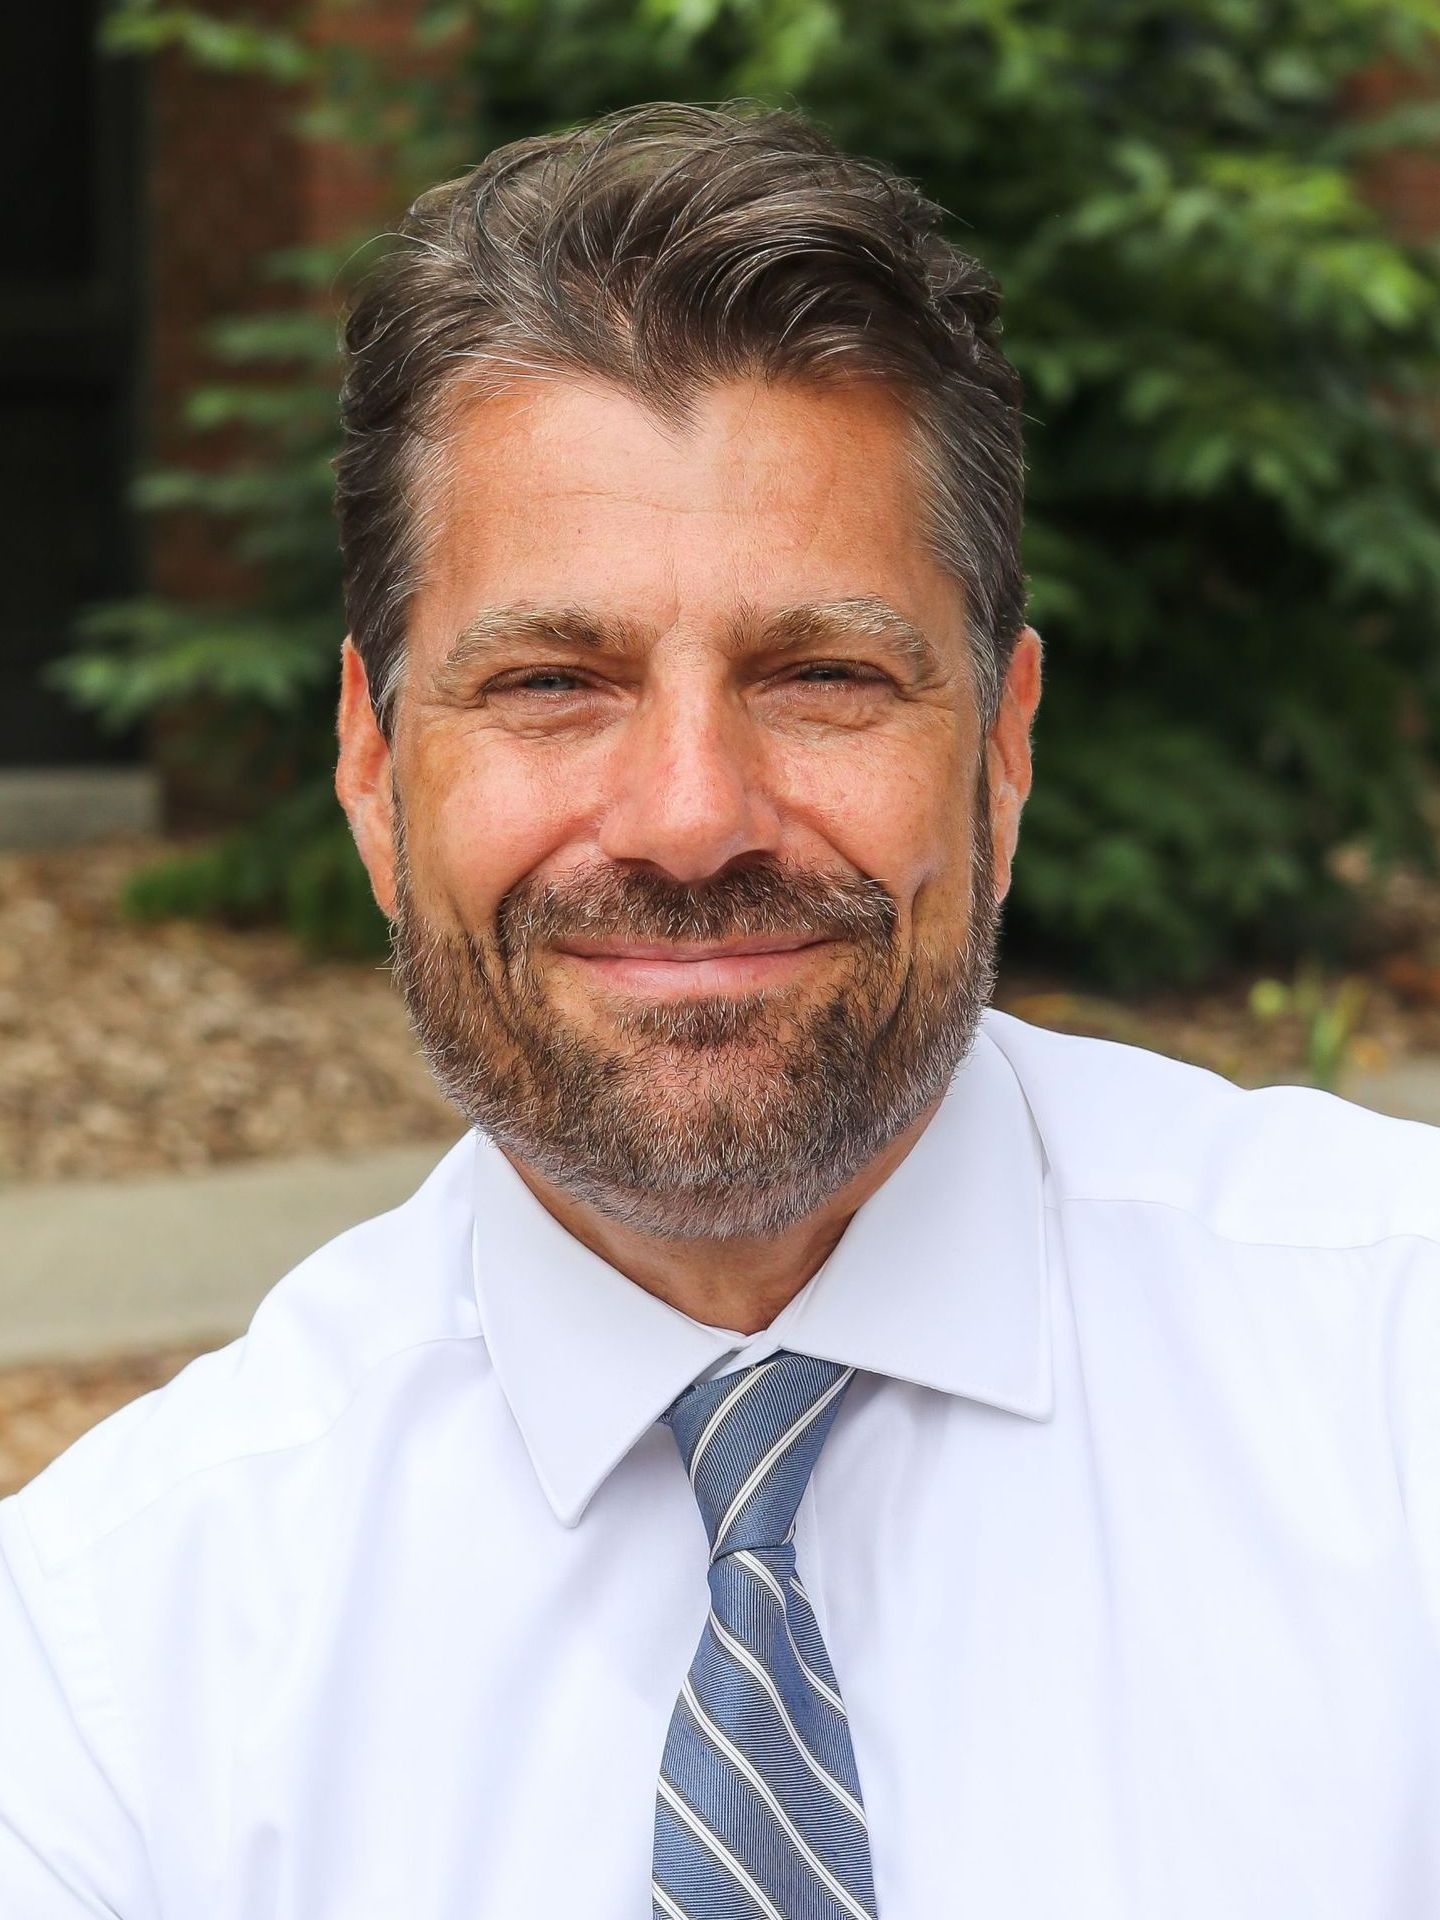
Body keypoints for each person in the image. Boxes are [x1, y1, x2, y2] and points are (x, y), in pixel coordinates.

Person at [3, 99, 1439, 1920]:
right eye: (551, 681)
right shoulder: (114, 1668)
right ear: (374, 769)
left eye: (823, 674)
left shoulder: (1404, 1387)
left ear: (1001, 747)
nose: (692, 816)